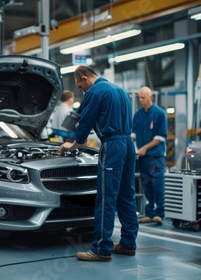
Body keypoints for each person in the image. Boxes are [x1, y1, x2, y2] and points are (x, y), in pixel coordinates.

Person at [58, 66, 138, 262]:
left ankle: (101, 248)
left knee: (106, 197)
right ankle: (128, 244)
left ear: (84, 79)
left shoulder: (94, 92)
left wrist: (72, 144)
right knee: (127, 195)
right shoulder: (120, 90)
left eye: (80, 86)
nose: (81, 90)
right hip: (128, 144)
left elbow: (84, 125)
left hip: (112, 146)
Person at [133, 87, 168, 225]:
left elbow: (160, 137)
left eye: (143, 97)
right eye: (139, 98)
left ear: (150, 97)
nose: (141, 100)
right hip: (142, 157)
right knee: (146, 184)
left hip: (156, 156)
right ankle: (149, 213)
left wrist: (144, 148)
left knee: (157, 184)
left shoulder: (160, 114)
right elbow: (134, 133)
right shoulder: (138, 115)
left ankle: (159, 213)